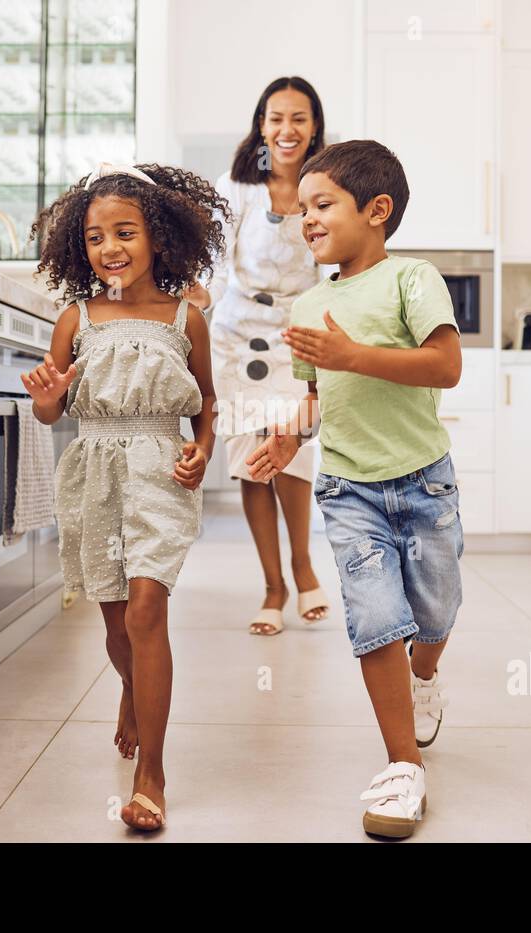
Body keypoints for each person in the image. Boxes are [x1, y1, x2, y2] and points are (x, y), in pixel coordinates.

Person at [247, 140, 464, 839]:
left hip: (424, 480)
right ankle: (403, 765)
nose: (306, 219)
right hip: (348, 489)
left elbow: (444, 365)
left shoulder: (412, 279)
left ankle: (424, 670)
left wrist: (353, 355)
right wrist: (288, 434)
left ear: (377, 211)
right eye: (302, 208)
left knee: (436, 607)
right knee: (375, 617)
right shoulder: (310, 303)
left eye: (322, 204)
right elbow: (321, 397)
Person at [24, 162, 228, 832]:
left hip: (160, 467)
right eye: (94, 236)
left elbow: (208, 405)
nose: (109, 247)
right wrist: (50, 404)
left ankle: (153, 774)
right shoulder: (74, 318)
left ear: (159, 238)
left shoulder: (185, 317)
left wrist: (200, 447)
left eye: (125, 232)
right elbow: (54, 414)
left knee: (146, 611)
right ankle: (130, 690)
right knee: (115, 625)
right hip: (95, 468)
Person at [184, 76, 332, 636]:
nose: (286, 130)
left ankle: (302, 562)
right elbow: (218, 263)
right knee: (252, 461)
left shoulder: (326, 183)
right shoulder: (238, 185)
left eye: (298, 118)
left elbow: (331, 260)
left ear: (315, 124)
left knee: (291, 451)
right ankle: (273, 585)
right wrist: (202, 296)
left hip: (296, 335)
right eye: (275, 118)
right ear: (261, 125)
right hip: (238, 337)